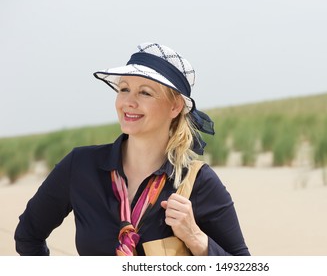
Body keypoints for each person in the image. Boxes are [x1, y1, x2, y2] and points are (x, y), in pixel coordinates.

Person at [14, 42, 250, 256]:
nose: (128, 101)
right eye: (124, 89)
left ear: (175, 106)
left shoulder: (200, 183)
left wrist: (197, 240)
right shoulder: (80, 166)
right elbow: (28, 236)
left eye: (145, 92)